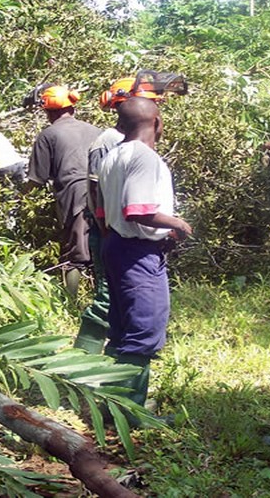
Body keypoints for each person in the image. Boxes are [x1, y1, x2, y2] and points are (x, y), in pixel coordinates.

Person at [98, 96, 192, 419]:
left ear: (120, 124)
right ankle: (129, 412)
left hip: (115, 245)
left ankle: (110, 406)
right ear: (157, 122)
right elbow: (138, 211)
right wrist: (177, 224)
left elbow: (101, 211)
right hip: (138, 252)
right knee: (144, 330)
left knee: (122, 328)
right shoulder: (144, 158)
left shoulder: (111, 156)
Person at [72, 77, 162, 354]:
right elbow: (97, 190)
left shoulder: (126, 143)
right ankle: (82, 360)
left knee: (121, 302)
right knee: (108, 296)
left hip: (120, 229)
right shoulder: (110, 141)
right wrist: (108, 229)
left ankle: (106, 365)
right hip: (114, 231)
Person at [26, 85, 101, 298]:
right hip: (105, 196)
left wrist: (21, 199)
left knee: (75, 254)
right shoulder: (96, 131)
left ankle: (71, 304)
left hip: (75, 196)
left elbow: (36, 179)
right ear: (72, 108)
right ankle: (106, 300)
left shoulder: (48, 135)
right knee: (102, 248)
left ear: (48, 112)